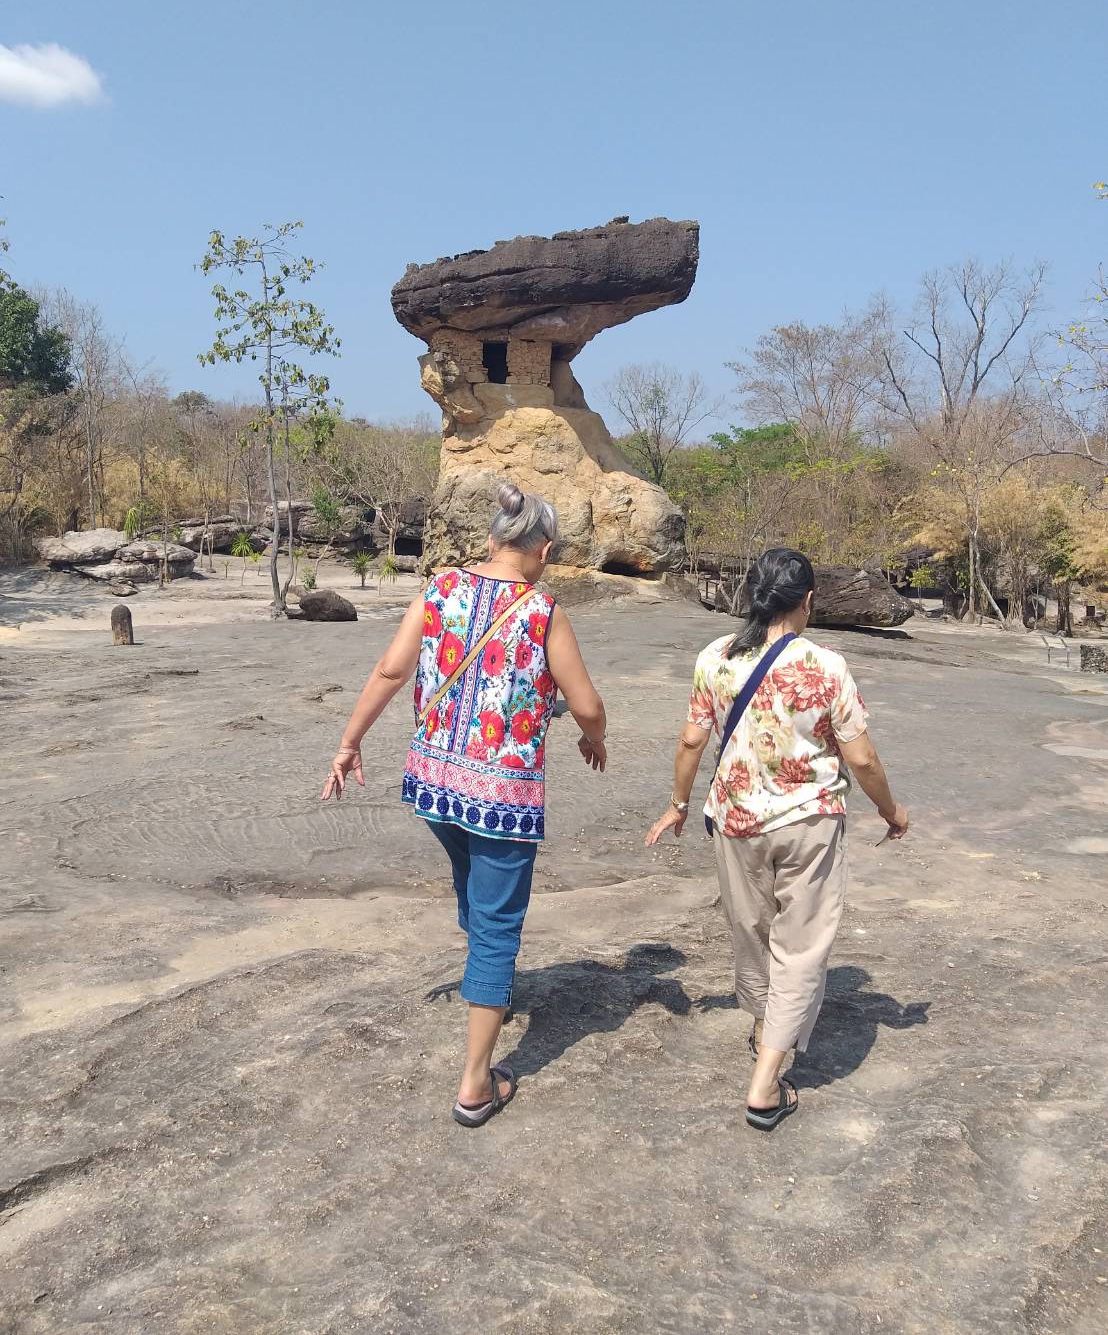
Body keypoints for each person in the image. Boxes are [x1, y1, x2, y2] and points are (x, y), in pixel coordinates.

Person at [322, 482, 608, 1128]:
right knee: (498, 925)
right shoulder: (541, 609)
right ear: (543, 547)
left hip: (433, 785)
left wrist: (349, 742)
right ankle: (477, 1082)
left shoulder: (441, 588)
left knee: (476, 896)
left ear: (491, 537)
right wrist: (595, 735)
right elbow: (585, 703)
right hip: (500, 798)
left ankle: (487, 983)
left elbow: (392, 671)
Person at [644, 548, 908, 1131]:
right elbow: (859, 756)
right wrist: (891, 811)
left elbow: (691, 742)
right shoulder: (826, 665)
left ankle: (766, 1026)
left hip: (735, 822)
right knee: (801, 944)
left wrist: (678, 805)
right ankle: (766, 1080)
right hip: (807, 823)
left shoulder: (715, 658)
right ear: (808, 600)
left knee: (753, 932)